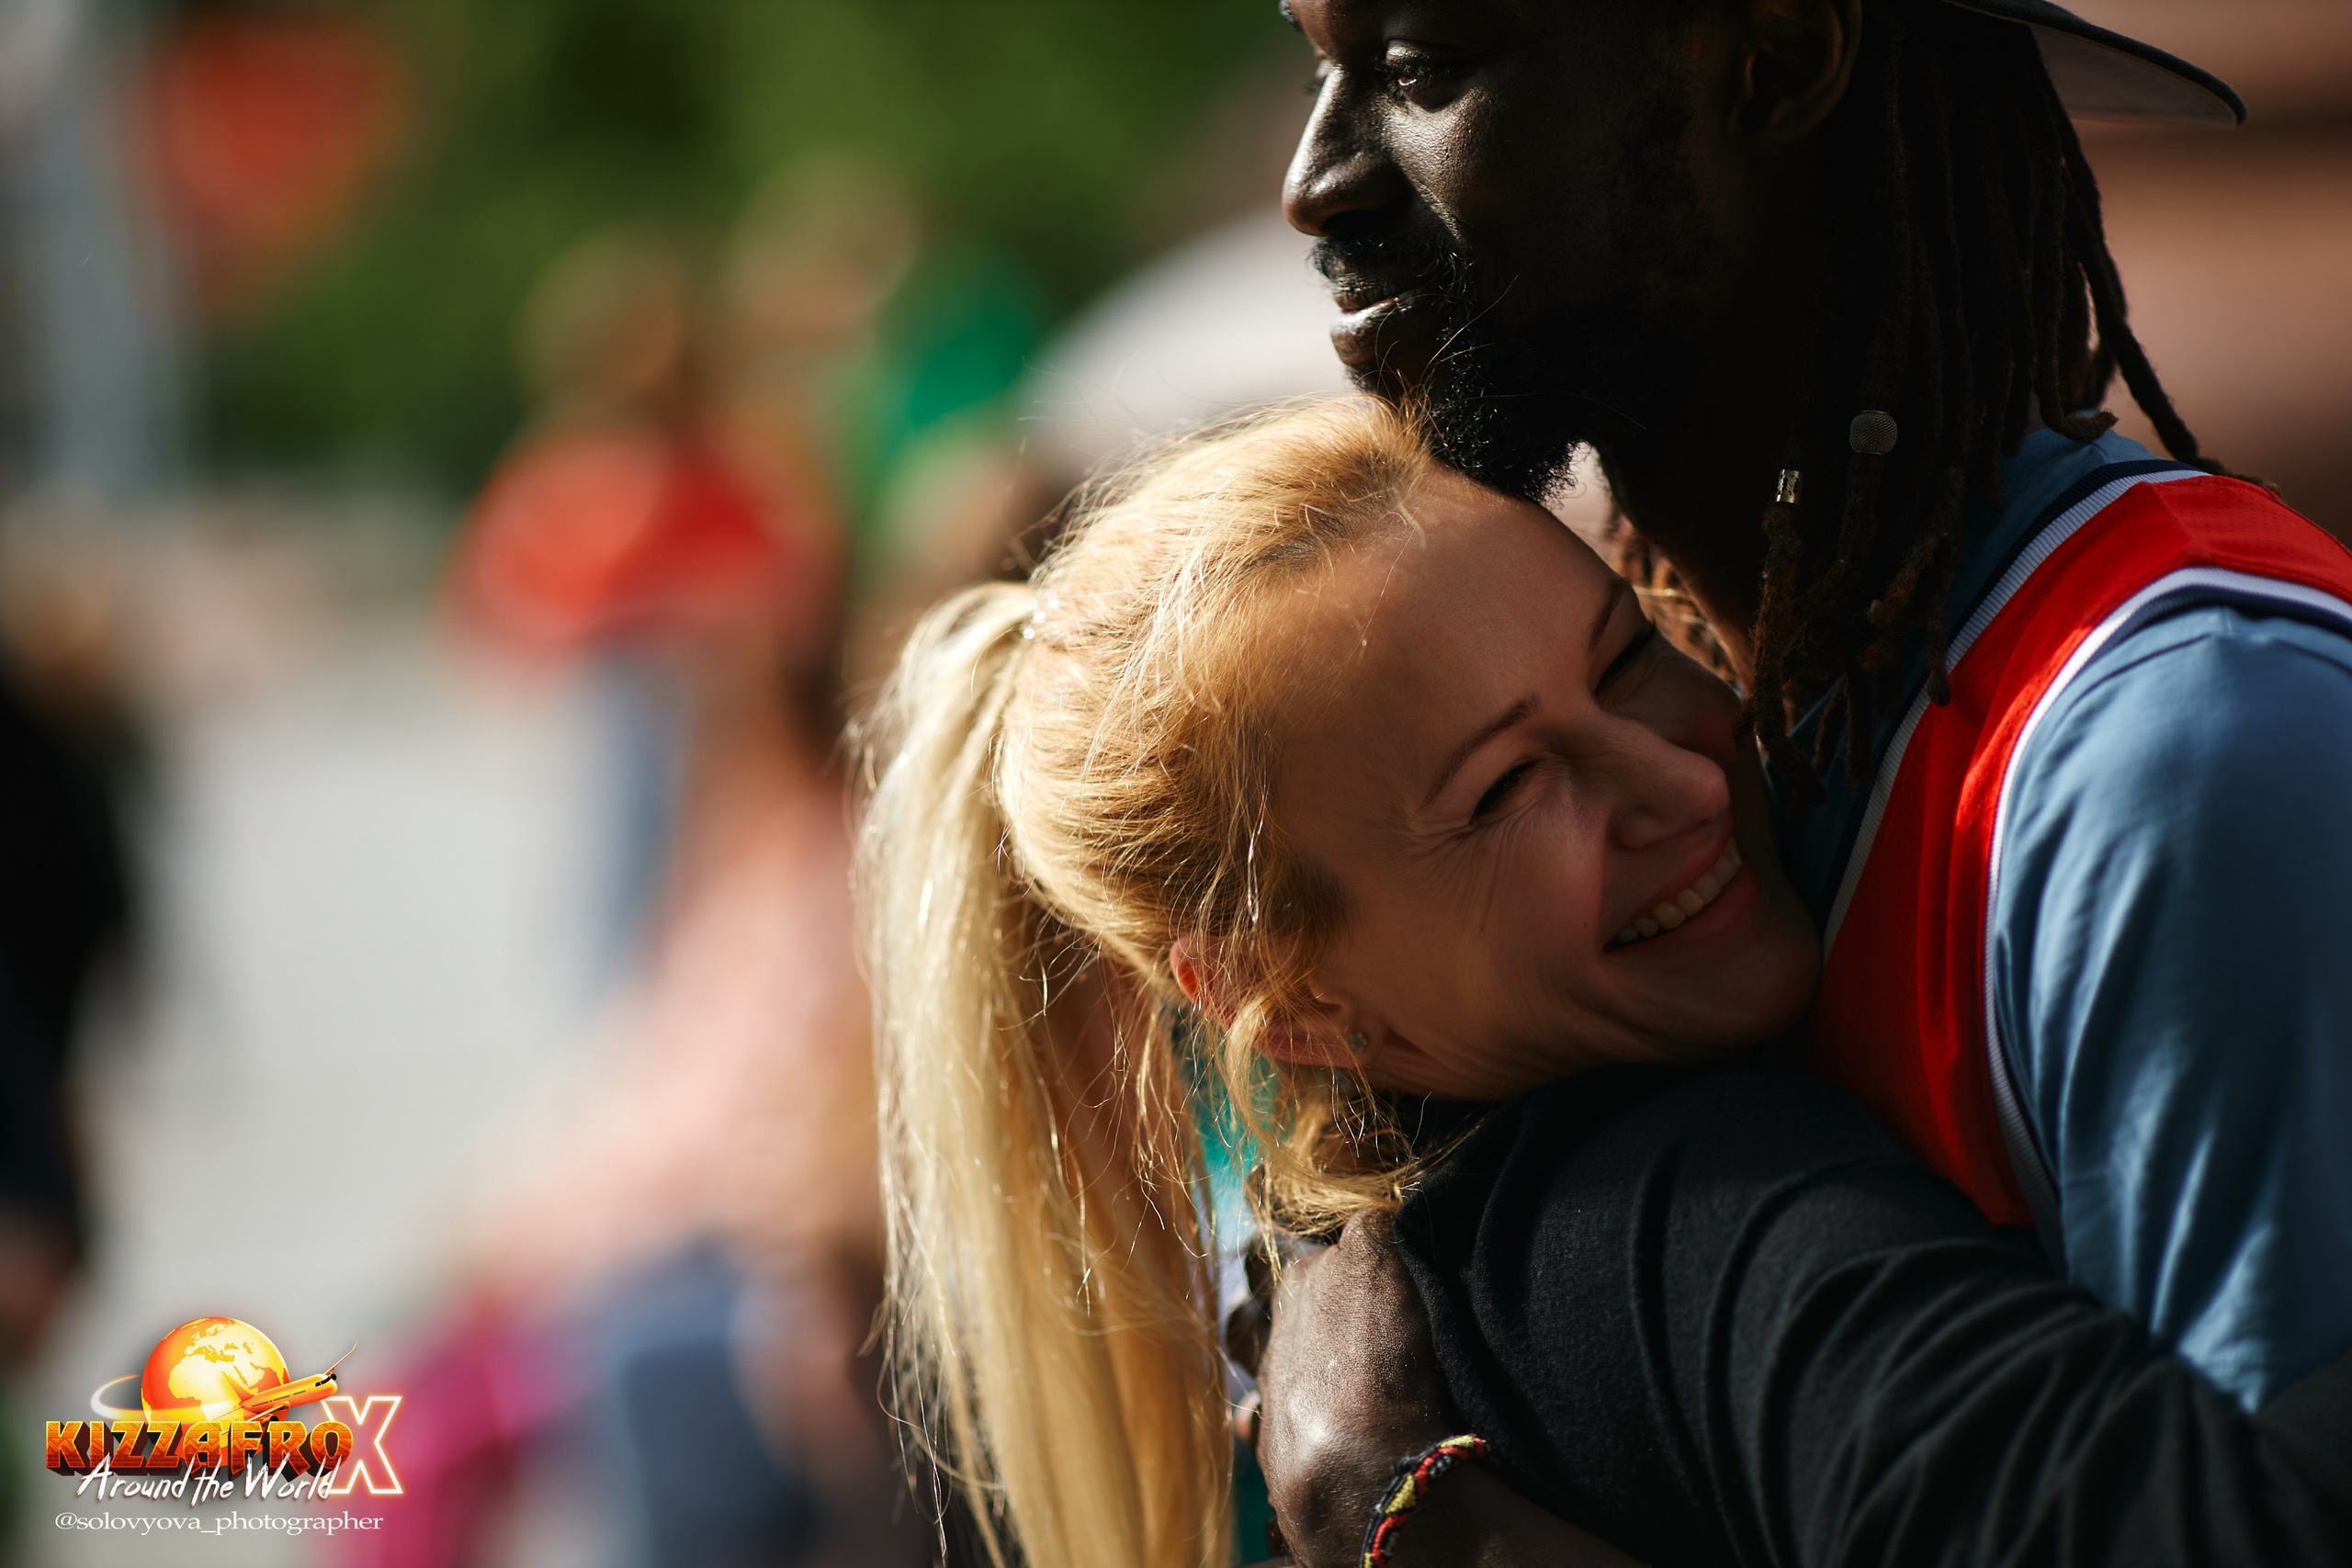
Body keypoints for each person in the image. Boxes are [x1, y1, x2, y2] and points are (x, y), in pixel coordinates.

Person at [854, 397, 2352, 1568]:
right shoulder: (1684, 1222)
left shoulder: (1407, 1301)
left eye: (1628, 654)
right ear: (1288, 1000)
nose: (1679, 780)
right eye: (1506, 788)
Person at [1261, 0, 2352, 1514]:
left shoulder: (2183, 757)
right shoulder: (1725, 701)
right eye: (1316, 64)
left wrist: (1415, 1515)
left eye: (1417, 70)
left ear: (1774, 56)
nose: (1316, 180)